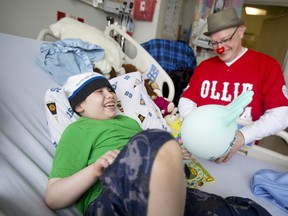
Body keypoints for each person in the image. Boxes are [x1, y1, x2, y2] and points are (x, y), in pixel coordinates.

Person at [45, 72, 272, 216]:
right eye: (99, 91)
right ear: (79, 107)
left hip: (159, 191)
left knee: (246, 209)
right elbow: (53, 198)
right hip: (112, 196)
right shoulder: (78, 130)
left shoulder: (128, 121)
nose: (111, 95)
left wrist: (170, 158)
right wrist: (95, 169)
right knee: (157, 138)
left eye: (110, 89)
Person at [179, 8, 288, 163]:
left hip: (242, 150)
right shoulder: (204, 67)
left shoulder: (267, 66)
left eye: (225, 40)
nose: (220, 48)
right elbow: (186, 99)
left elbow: (282, 114)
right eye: (215, 43)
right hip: (201, 146)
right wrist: (195, 127)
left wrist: (243, 137)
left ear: (241, 32)